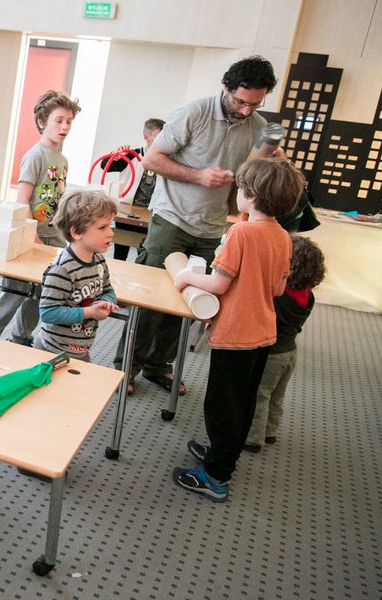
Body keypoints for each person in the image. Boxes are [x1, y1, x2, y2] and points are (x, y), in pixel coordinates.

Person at [116, 56, 279, 395]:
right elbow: (151, 159)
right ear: (226, 87)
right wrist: (199, 175)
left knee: (191, 303)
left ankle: (158, 366)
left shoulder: (257, 126)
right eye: (240, 101)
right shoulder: (194, 113)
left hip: (210, 227)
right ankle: (126, 368)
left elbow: (250, 177)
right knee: (151, 299)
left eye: (255, 104)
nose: (246, 110)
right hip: (171, 219)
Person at [171, 158, 303, 502]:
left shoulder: (241, 232)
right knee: (241, 403)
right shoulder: (284, 237)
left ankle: (216, 476)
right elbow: (276, 290)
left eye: (240, 189)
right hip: (263, 333)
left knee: (221, 405)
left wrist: (185, 277)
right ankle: (223, 454)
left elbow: (217, 283)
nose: (237, 195)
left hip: (236, 334)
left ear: (251, 196)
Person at [0, 91, 81, 345]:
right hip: (31, 235)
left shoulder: (62, 160)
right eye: (58, 120)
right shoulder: (36, 155)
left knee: (42, 290)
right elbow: (22, 200)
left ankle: (22, 335)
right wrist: (31, 235)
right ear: (42, 122)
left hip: (53, 234)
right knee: (16, 289)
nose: (64, 126)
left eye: (69, 121)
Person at [244, 235, 325, 452]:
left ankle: (253, 438)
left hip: (271, 354)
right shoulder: (308, 296)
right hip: (289, 352)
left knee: (260, 395)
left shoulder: (279, 294)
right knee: (276, 395)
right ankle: (270, 431)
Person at [35, 190, 118, 361]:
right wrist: (89, 312)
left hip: (81, 350)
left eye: (111, 226)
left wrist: (108, 302)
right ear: (76, 233)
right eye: (103, 227)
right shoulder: (62, 269)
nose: (111, 233)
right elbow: (48, 312)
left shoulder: (99, 261)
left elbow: (108, 290)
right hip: (51, 351)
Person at [101, 118, 164, 260]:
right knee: (120, 252)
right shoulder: (131, 155)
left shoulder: (164, 161)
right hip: (127, 213)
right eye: (159, 137)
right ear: (146, 137)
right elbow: (105, 165)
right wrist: (117, 155)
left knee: (144, 253)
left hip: (150, 216)